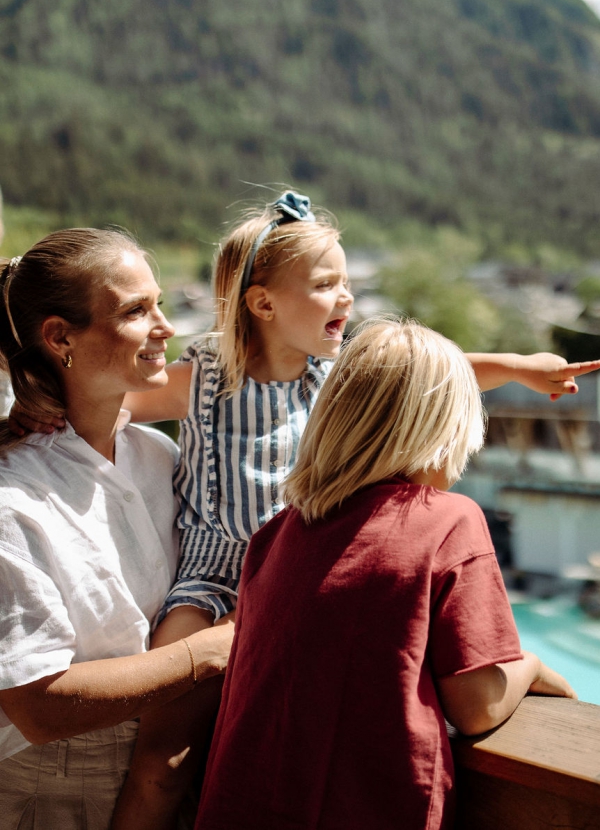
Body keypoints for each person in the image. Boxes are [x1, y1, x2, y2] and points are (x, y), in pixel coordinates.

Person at [10, 193, 600, 830]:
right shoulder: (206, 377)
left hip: (293, 574)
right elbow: (100, 409)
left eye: (345, 282)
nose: (346, 297)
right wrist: (27, 412)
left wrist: (516, 368)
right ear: (263, 303)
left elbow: (429, 372)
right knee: (166, 759)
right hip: (214, 576)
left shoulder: (329, 377)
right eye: (326, 284)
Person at [194, 318, 577, 830]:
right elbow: (478, 706)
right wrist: (531, 666)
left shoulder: (280, 532)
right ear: (446, 429)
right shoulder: (448, 520)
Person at [0, 228, 234, 830]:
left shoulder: (157, 456)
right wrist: (207, 653)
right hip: (48, 795)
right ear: (60, 337)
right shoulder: (12, 498)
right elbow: (38, 706)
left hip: (170, 773)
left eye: (159, 304)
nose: (166, 326)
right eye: (136, 310)